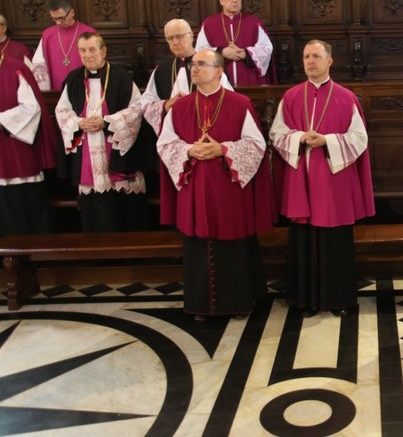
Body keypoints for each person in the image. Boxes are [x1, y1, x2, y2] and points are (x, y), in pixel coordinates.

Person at [158, 49, 275, 320]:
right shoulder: (181, 106)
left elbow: (256, 145)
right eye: (193, 65)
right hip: (195, 186)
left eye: (202, 64)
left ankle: (238, 302)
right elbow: (165, 143)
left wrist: (223, 149)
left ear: (219, 71)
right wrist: (189, 151)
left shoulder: (240, 103)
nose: (194, 69)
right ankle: (202, 305)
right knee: (198, 243)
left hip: (229, 189)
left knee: (233, 243)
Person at [269, 39, 375, 318]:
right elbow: (277, 133)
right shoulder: (290, 97)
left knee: (335, 241)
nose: (310, 61)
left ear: (330, 61)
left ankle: (337, 299)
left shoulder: (346, 97)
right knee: (303, 238)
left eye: (316, 56)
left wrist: (326, 140)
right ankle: (305, 300)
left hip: (332, 180)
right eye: (306, 57)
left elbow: (359, 138)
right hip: (302, 179)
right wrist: (300, 137)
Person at [140, 19, 233, 224]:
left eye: (179, 36)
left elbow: (228, 100)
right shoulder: (162, 70)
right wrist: (165, 105)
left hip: (206, 139)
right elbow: (145, 103)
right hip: (177, 143)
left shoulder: (209, 63)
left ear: (191, 35)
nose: (175, 42)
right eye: (170, 38)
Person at [55, 32, 150, 232]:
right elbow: (62, 110)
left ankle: (129, 255)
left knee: (124, 207)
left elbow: (136, 109)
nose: (87, 54)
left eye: (92, 49)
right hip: (87, 150)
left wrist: (107, 122)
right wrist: (79, 123)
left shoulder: (122, 78)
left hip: (116, 149)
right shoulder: (73, 79)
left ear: (103, 50)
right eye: (82, 50)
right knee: (95, 207)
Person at [0, 53, 58, 234]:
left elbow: (31, 108)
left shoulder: (15, 68)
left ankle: (32, 252)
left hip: (16, 144)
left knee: (22, 204)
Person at [196, 0, 277, 87]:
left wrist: (245, 53)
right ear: (221, 0)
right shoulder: (209, 24)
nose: (235, 0)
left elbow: (266, 48)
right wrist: (222, 52)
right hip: (218, 82)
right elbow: (200, 51)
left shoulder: (253, 22)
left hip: (250, 81)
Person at [32, 0, 97, 92]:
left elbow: (97, 61)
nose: (58, 22)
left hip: (84, 88)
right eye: (54, 19)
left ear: (72, 12)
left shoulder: (89, 33)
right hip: (58, 89)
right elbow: (39, 63)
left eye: (61, 18)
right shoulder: (48, 34)